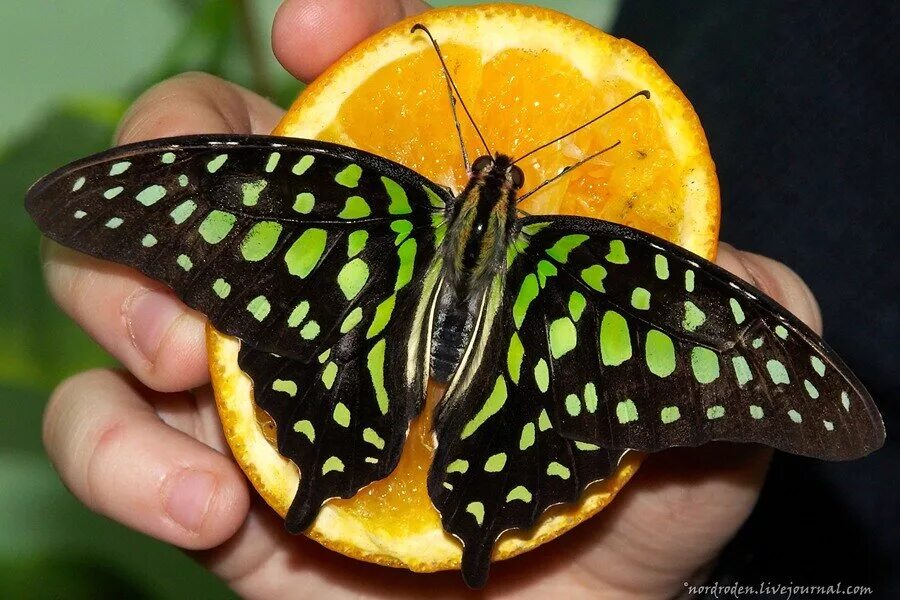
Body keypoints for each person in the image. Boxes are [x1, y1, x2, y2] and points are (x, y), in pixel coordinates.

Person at [38, 1, 839, 596]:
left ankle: (373, 476)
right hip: (495, 405)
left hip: (370, 365)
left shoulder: (372, 206)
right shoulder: (589, 264)